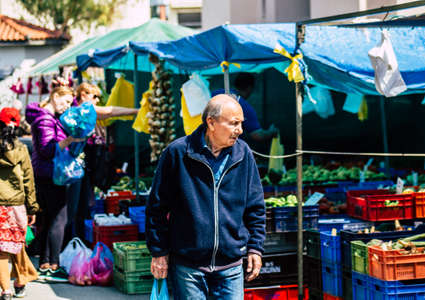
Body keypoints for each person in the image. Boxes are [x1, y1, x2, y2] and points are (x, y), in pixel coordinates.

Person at [146, 94, 266, 299]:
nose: (240, 130)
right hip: (188, 265)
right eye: (234, 124)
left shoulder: (243, 153)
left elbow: (255, 205)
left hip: (231, 265)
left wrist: (255, 248)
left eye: (241, 124)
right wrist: (159, 252)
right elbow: (156, 207)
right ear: (211, 122)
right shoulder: (178, 153)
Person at [64, 82, 139, 244]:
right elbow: (109, 111)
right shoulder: (80, 111)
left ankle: (76, 243)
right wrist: (136, 111)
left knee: (80, 206)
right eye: (94, 96)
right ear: (83, 95)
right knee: (74, 209)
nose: (97, 100)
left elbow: (107, 113)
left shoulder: (81, 112)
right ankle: (72, 244)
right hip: (73, 167)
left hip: (81, 167)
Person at [25, 86, 82, 282]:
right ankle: (54, 265)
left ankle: (46, 264)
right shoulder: (44, 120)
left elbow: (74, 111)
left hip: (49, 174)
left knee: (50, 219)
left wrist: (72, 100)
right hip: (49, 175)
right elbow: (47, 150)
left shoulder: (47, 117)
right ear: (54, 96)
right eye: (65, 102)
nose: (67, 107)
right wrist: (70, 140)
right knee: (59, 219)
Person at [0, 107, 39, 299]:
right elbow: (28, 180)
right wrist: (32, 207)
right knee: (15, 245)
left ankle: (6, 289)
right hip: (16, 205)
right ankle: (21, 280)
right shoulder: (21, 150)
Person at [212, 72, 278, 143]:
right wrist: (271, 132)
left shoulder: (215, 93)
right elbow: (257, 135)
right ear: (250, 88)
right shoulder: (243, 106)